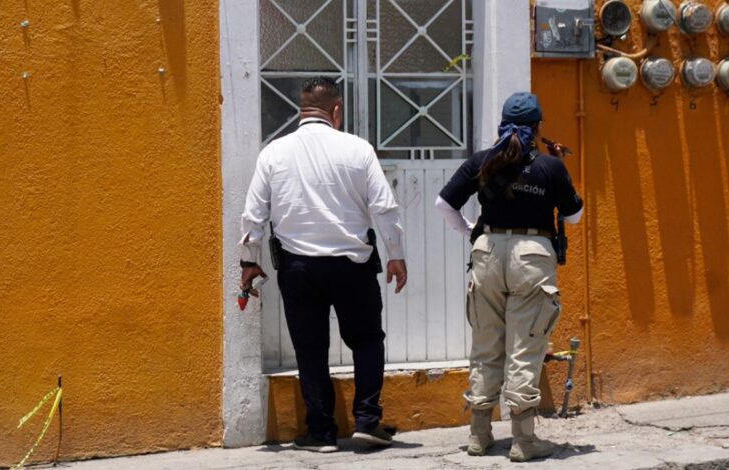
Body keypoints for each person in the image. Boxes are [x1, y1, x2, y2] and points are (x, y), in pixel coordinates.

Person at [239, 77, 407, 453]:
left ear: (302, 109)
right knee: (366, 340)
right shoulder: (358, 149)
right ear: (336, 111)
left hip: (298, 268)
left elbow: (253, 215)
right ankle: (366, 421)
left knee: (310, 349)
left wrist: (249, 262)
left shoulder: (273, 153)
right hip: (353, 265)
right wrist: (396, 254)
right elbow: (384, 207)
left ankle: (321, 433)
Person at [435, 92, 583, 461]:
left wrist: (472, 230)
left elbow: (444, 204)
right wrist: (558, 168)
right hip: (532, 257)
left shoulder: (482, 161)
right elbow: (573, 215)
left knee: (485, 346)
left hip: (486, 253)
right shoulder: (550, 167)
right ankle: (523, 440)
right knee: (524, 349)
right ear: (538, 128)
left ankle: (479, 436)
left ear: (501, 123)